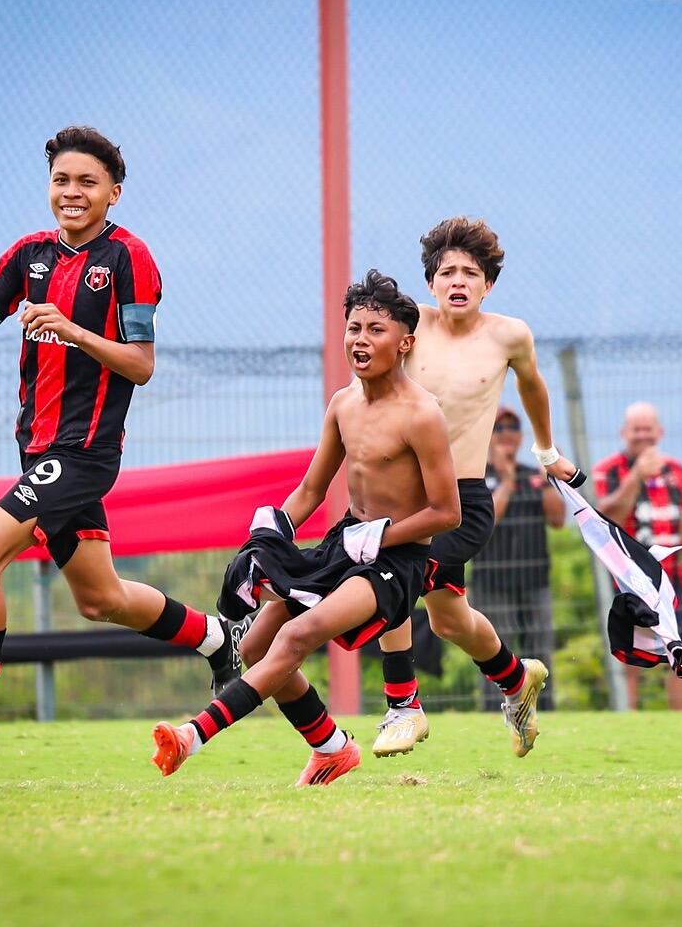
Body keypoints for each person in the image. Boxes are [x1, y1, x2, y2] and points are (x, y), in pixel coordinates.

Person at [0, 126, 241, 768]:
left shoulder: (130, 259)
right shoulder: (28, 253)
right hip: (37, 453)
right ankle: (217, 636)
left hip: (83, 455)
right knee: (100, 599)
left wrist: (73, 330)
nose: (72, 192)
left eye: (87, 182)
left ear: (113, 193)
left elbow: (140, 365)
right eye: (62, 180)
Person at [150, 271, 460, 786]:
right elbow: (311, 492)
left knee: (296, 635)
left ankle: (191, 736)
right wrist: (271, 530)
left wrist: (381, 537)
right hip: (345, 544)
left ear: (405, 341)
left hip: (394, 561)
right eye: (353, 328)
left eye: (375, 330)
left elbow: (447, 512)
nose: (360, 341)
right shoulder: (343, 404)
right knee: (252, 649)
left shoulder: (423, 414)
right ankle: (332, 748)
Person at [368, 217, 578, 759]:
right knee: (448, 618)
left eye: (471, 272)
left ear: (488, 284)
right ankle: (517, 683)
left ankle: (402, 706)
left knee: (389, 579)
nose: (458, 280)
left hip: (461, 502)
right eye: (447, 272)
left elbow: (532, 385)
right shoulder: (409, 329)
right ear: (431, 283)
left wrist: (547, 451)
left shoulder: (510, 335)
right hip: (402, 501)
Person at [593, 402, 682, 709]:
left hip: (673, 581)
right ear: (623, 433)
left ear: (660, 432)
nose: (642, 435)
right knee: (632, 657)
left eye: (647, 429)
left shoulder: (676, 470)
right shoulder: (608, 470)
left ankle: (681, 725)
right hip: (628, 582)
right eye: (636, 429)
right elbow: (607, 514)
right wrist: (636, 476)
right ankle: (628, 721)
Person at [471, 406, 566, 711]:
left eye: (513, 428)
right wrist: (507, 481)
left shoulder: (533, 475)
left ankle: (543, 710)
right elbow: (487, 520)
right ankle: (493, 711)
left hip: (534, 579)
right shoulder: (474, 477)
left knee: (540, 649)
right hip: (490, 581)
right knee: (495, 650)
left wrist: (548, 477)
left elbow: (557, 519)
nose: (507, 435)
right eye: (499, 428)